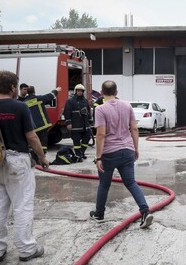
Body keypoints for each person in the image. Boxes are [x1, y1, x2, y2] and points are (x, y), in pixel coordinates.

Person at [0, 70, 48, 262]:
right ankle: (26, 249)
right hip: (18, 162)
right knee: (22, 205)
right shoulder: (20, 107)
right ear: (13, 87)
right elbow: (31, 137)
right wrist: (42, 158)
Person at [89, 80, 153, 228]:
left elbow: (100, 135)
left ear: (102, 93)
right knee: (131, 182)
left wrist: (98, 157)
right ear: (116, 92)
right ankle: (145, 211)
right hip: (127, 150)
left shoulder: (100, 109)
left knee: (104, 184)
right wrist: (136, 149)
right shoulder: (127, 105)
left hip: (109, 153)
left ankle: (99, 214)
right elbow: (134, 129)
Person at [63, 84, 92, 160]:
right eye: (78, 91)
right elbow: (67, 112)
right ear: (76, 91)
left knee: (87, 139)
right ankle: (79, 155)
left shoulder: (85, 101)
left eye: (81, 91)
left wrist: (90, 121)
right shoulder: (70, 101)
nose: (80, 92)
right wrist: (68, 123)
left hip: (85, 125)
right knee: (76, 142)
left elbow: (88, 111)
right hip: (75, 125)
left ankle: (81, 153)